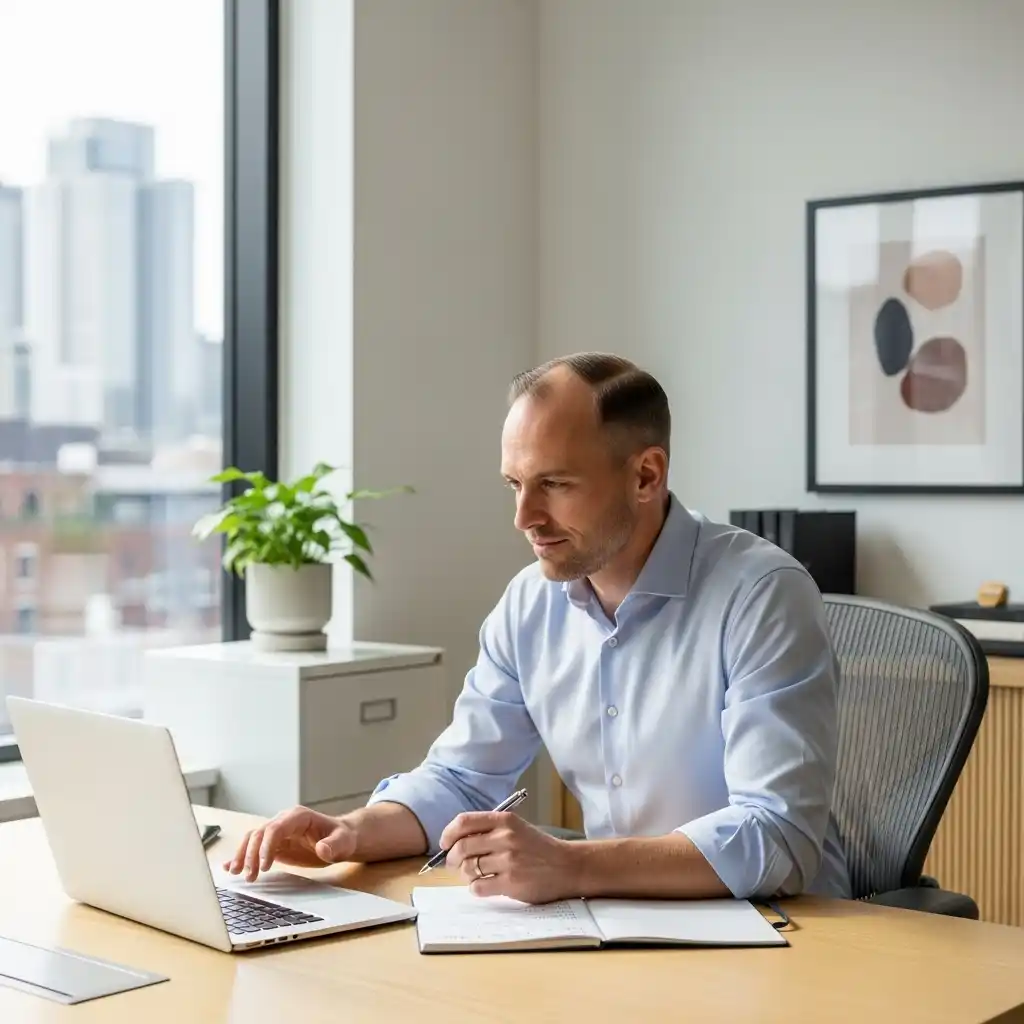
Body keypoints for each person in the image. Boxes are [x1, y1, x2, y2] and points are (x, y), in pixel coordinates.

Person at [225, 353, 851, 904]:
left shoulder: (762, 594)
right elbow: (463, 777)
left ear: (646, 476)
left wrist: (568, 863)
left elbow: (779, 834)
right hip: (620, 921)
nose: (525, 516)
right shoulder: (531, 602)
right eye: (515, 485)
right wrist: (351, 831)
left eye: (555, 484)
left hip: (789, 931)